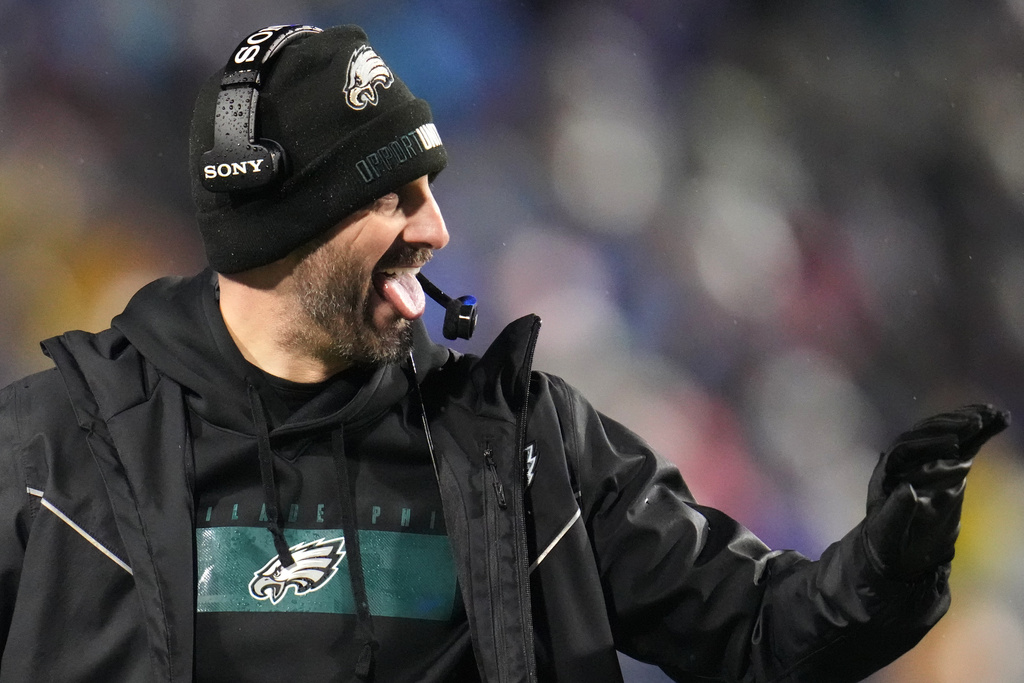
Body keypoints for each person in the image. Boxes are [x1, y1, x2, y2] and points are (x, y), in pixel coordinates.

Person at [0, 23, 1010, 683]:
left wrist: (888, 563)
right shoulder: (46, 462)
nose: (437, 228)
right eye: (396, 195)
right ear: (285, 224)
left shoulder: (528, 446)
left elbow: (757, 630)